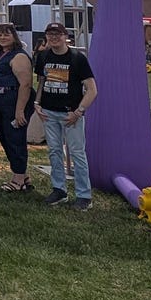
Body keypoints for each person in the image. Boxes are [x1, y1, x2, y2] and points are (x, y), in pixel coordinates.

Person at [35, 21, 97, 209]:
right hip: (48, 112)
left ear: (65, 36)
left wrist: (78, 112)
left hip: (70, 114)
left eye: (57, 34)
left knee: (77, 153)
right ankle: (59, 190)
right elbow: (42, 81)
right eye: (50, 34)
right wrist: (37, 103)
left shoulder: (77, 58)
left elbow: (92, 89)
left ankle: (84, 195)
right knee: (54, 152)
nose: (54, 37)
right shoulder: (43, 56)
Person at [0, 23, 34, 192]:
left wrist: (20, 110)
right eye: (0, 35)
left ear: (14, 36)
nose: (2, 37)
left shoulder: (19, 56)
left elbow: (26, 84)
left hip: (13, 103)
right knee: (6, 139)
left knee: (15, 140)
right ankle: (23, 174)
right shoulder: (2, 54)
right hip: (0, 104)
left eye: (6, 34)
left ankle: (18, 179)